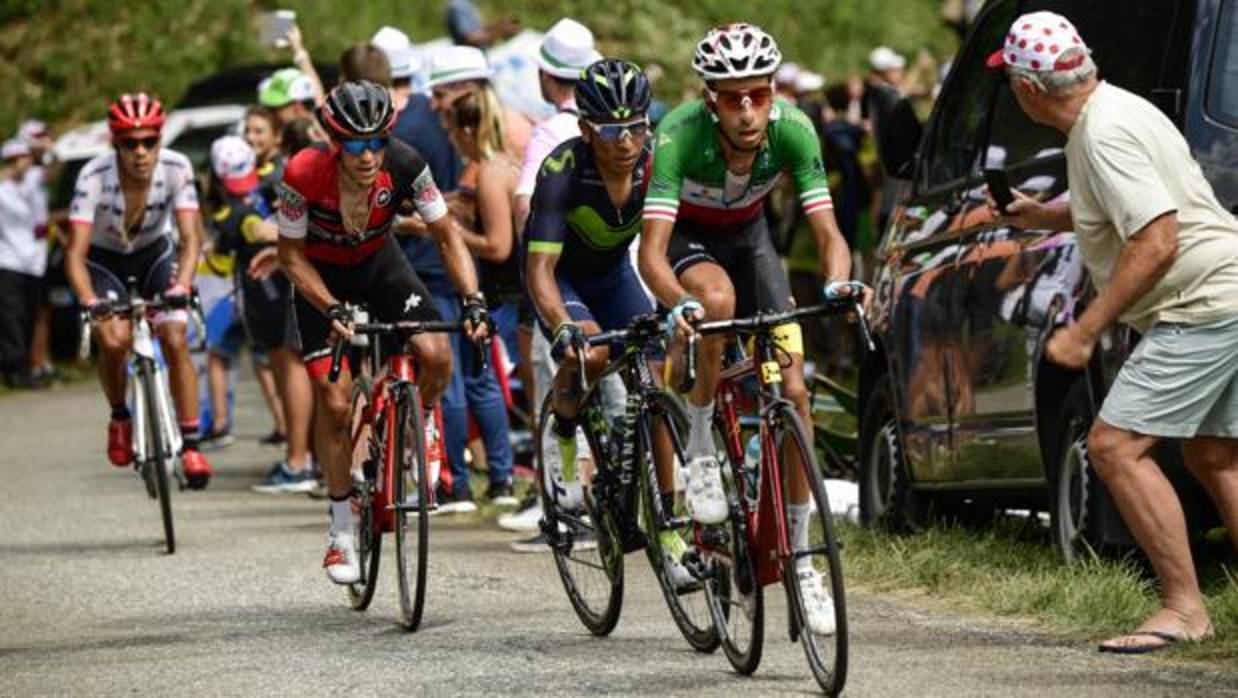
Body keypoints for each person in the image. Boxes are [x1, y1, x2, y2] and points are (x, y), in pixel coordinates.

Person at [987, 10, 1238, 653]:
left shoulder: (1101, 134)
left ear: (1028, 88)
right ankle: (1190, 606)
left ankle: (1184, 609)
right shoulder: (1116, 111)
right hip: (1228, 290)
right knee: (1213, 454)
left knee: (1114, 448)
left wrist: (1085, 329)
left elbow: (1156, 238)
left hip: (1199, 303)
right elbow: (1127, 202)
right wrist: (1047, 212)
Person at [637, 24, 861, 635]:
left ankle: (801, 550)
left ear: (771, 92)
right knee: (716, 299)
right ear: (709, 98)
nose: (746, 110)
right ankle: (705, 447)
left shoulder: (793, 129)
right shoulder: (677, 134)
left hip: (750, 240)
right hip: (689, 242)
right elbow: (650, 252)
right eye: (732, 97)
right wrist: (677, 301)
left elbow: (828, 235)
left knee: (794, 392)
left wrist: (838, 283)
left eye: (757, 95)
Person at [276, 80, 491, 584]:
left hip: (379, 264)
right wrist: (329, 307)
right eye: (355, 144)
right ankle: (340, 531)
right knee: (333, 402)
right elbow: (289, 257)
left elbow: (446, 236)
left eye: (377, 141)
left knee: (436, 354)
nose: (368, 154)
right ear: (335, 142)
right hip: (319, 278)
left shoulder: (407, 163)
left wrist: (473, 299)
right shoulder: (303, 173)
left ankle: (425, 425)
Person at [523, 59, 697, 582]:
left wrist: (683, 305)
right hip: (564, 279)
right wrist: (561, 326)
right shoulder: (562, 172)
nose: (627, 141)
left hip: (616, 275)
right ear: (585, 129)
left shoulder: (654, 166)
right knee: (592, 352)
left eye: (638, 126)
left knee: (655, 377)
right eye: (613, 130)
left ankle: (669, 531)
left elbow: (670, 249)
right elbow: (540, 271)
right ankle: (564, 434)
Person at [64, 93, 213, 487]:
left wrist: (182, 284)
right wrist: (89, 301)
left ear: (160, 140)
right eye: (130, 143)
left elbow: (190, 238)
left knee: (174, 336)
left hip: (154, 255)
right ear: (116, 144)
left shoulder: (177, 167)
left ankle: (192, 443)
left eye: (150, 141)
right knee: (113, 341)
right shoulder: (93, 177)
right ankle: (120, 416)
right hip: (104, 260)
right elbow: (75, 253)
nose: (141, 152)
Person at [502, 16, 602, 535]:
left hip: (564, 282)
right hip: (624, 274)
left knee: (563, 385)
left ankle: (568, 510)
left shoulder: (551, 131)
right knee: (621, 393)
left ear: (547, 76)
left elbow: (526, 210)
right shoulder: (625, 124)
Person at [207, 136, 317, 492]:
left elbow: (252, 236)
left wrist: (275, 237)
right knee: (284, 367)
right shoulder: (268, 184)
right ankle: (303, 457)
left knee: (292, 368)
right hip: (274, 293)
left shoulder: (241, 208)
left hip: (282, 291)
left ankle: (299, 462)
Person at [438, 86, 522, 507]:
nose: (450, 139)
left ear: (467, 130)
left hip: (503, 294)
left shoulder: (489, 171)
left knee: (467, 380)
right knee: (482, 380)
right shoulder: (503, 164)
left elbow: (498, 246)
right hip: (501, 293)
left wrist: (447, 231)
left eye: (452, 130)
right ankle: (502, 477)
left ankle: (462, 481)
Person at [0, 139, 45, 388]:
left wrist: (45, 149)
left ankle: (23, 365)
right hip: (8, 261)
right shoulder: (2, 190)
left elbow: (53, 169)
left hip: (33, 263)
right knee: (11, 318)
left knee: (30, 316)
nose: (25, 162)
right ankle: (15, 370)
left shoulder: (33, 187)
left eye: (26, 157)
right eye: (19, 158)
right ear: (10, 162)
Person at [445, 0, 520, 48]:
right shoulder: (459, 5)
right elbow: (469, 38)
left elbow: (477, 28)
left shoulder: (466, 3)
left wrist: (500, 23)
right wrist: (500, 32)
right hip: (470, 57)